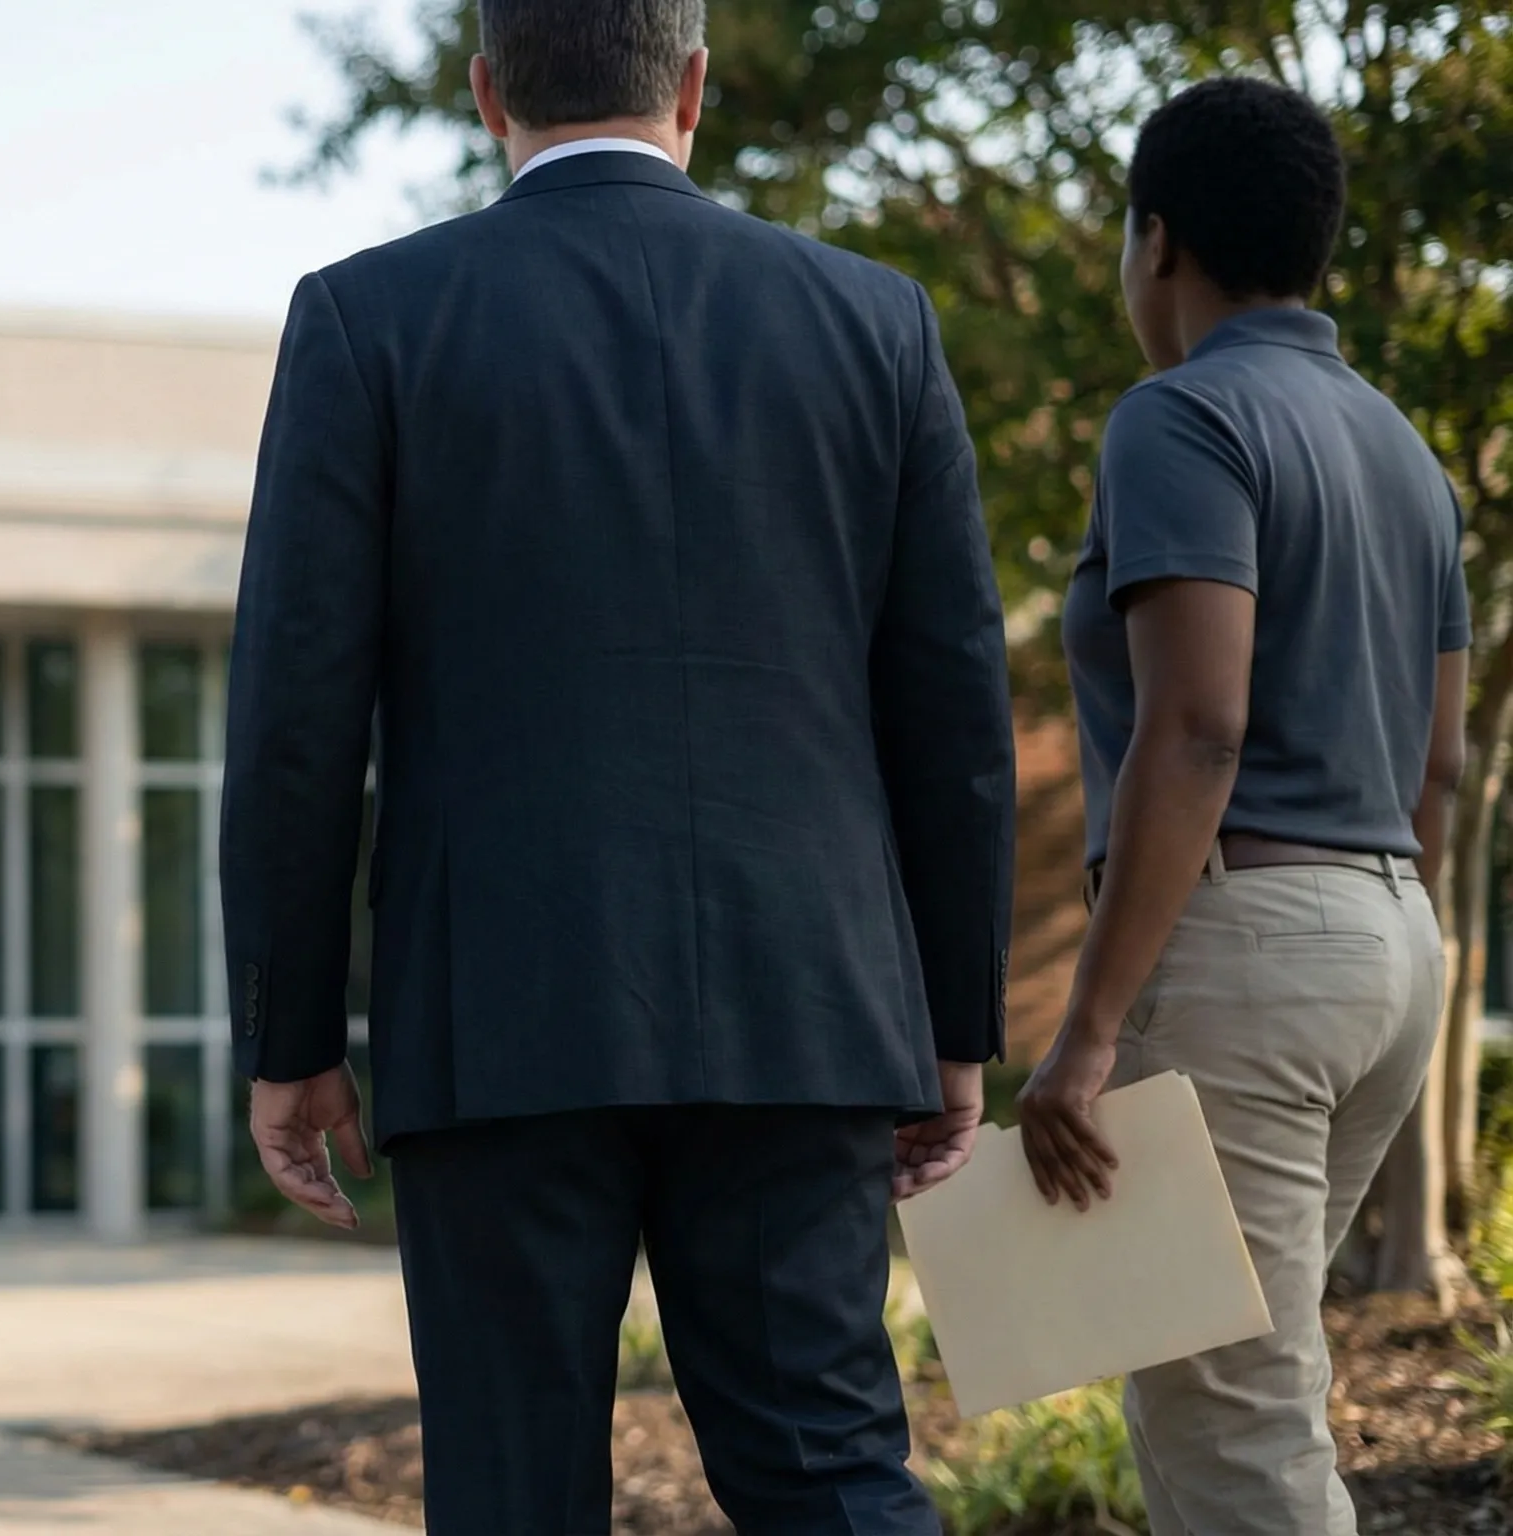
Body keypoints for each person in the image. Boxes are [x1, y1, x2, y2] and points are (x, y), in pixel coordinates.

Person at [217, 0, 1016, 1527]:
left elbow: (298, 716)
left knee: (514, 1491)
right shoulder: (875, 321)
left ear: (484, 92)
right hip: (805, 1010)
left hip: (503, 1019)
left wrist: (293, 1031)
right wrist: (950, 1020)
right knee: (834, 1477)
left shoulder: (364, 317)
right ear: (696, 88)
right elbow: (955, 712)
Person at [1018, 76, 1468, 1536]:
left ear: (1156, 242)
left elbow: (1197, 728)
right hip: (1394, 942)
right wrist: (1393, 940)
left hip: (1247, 956)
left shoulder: (1182, 418)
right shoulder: (1408, 455)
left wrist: (1086, 1032)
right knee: (1229, 1378)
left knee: (1235, 1426)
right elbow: (1440, 769)